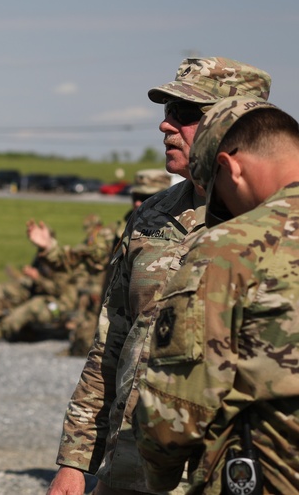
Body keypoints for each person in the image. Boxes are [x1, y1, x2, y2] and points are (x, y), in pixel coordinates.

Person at [46, 57, 272, 495]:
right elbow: (111, 341)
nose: (166, 125)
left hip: (228, 471)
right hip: (131, 465)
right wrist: (76, 461)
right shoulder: (152, 214)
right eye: (167, 111)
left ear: (238, 124)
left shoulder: (277, 224)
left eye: (185, 113)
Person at [135, 97, 299, 493]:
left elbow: (176, 408)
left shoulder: (230, 246)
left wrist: (159, 475)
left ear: (230, 167)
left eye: (217, 192)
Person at [66, 169, 171, 357]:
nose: (138, 203)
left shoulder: (183, 231)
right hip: (119, 323)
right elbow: (80, 254)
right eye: (135, 197)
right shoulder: (117, 232)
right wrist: (48, 249)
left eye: (145, 197)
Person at [0, 214, 115, 343]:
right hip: (45, 294)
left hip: (61, 306)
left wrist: (37, 278)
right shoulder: (44, 257)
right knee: (4, 291)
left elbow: (59, 290)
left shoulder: (63, 263)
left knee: (33, 307)